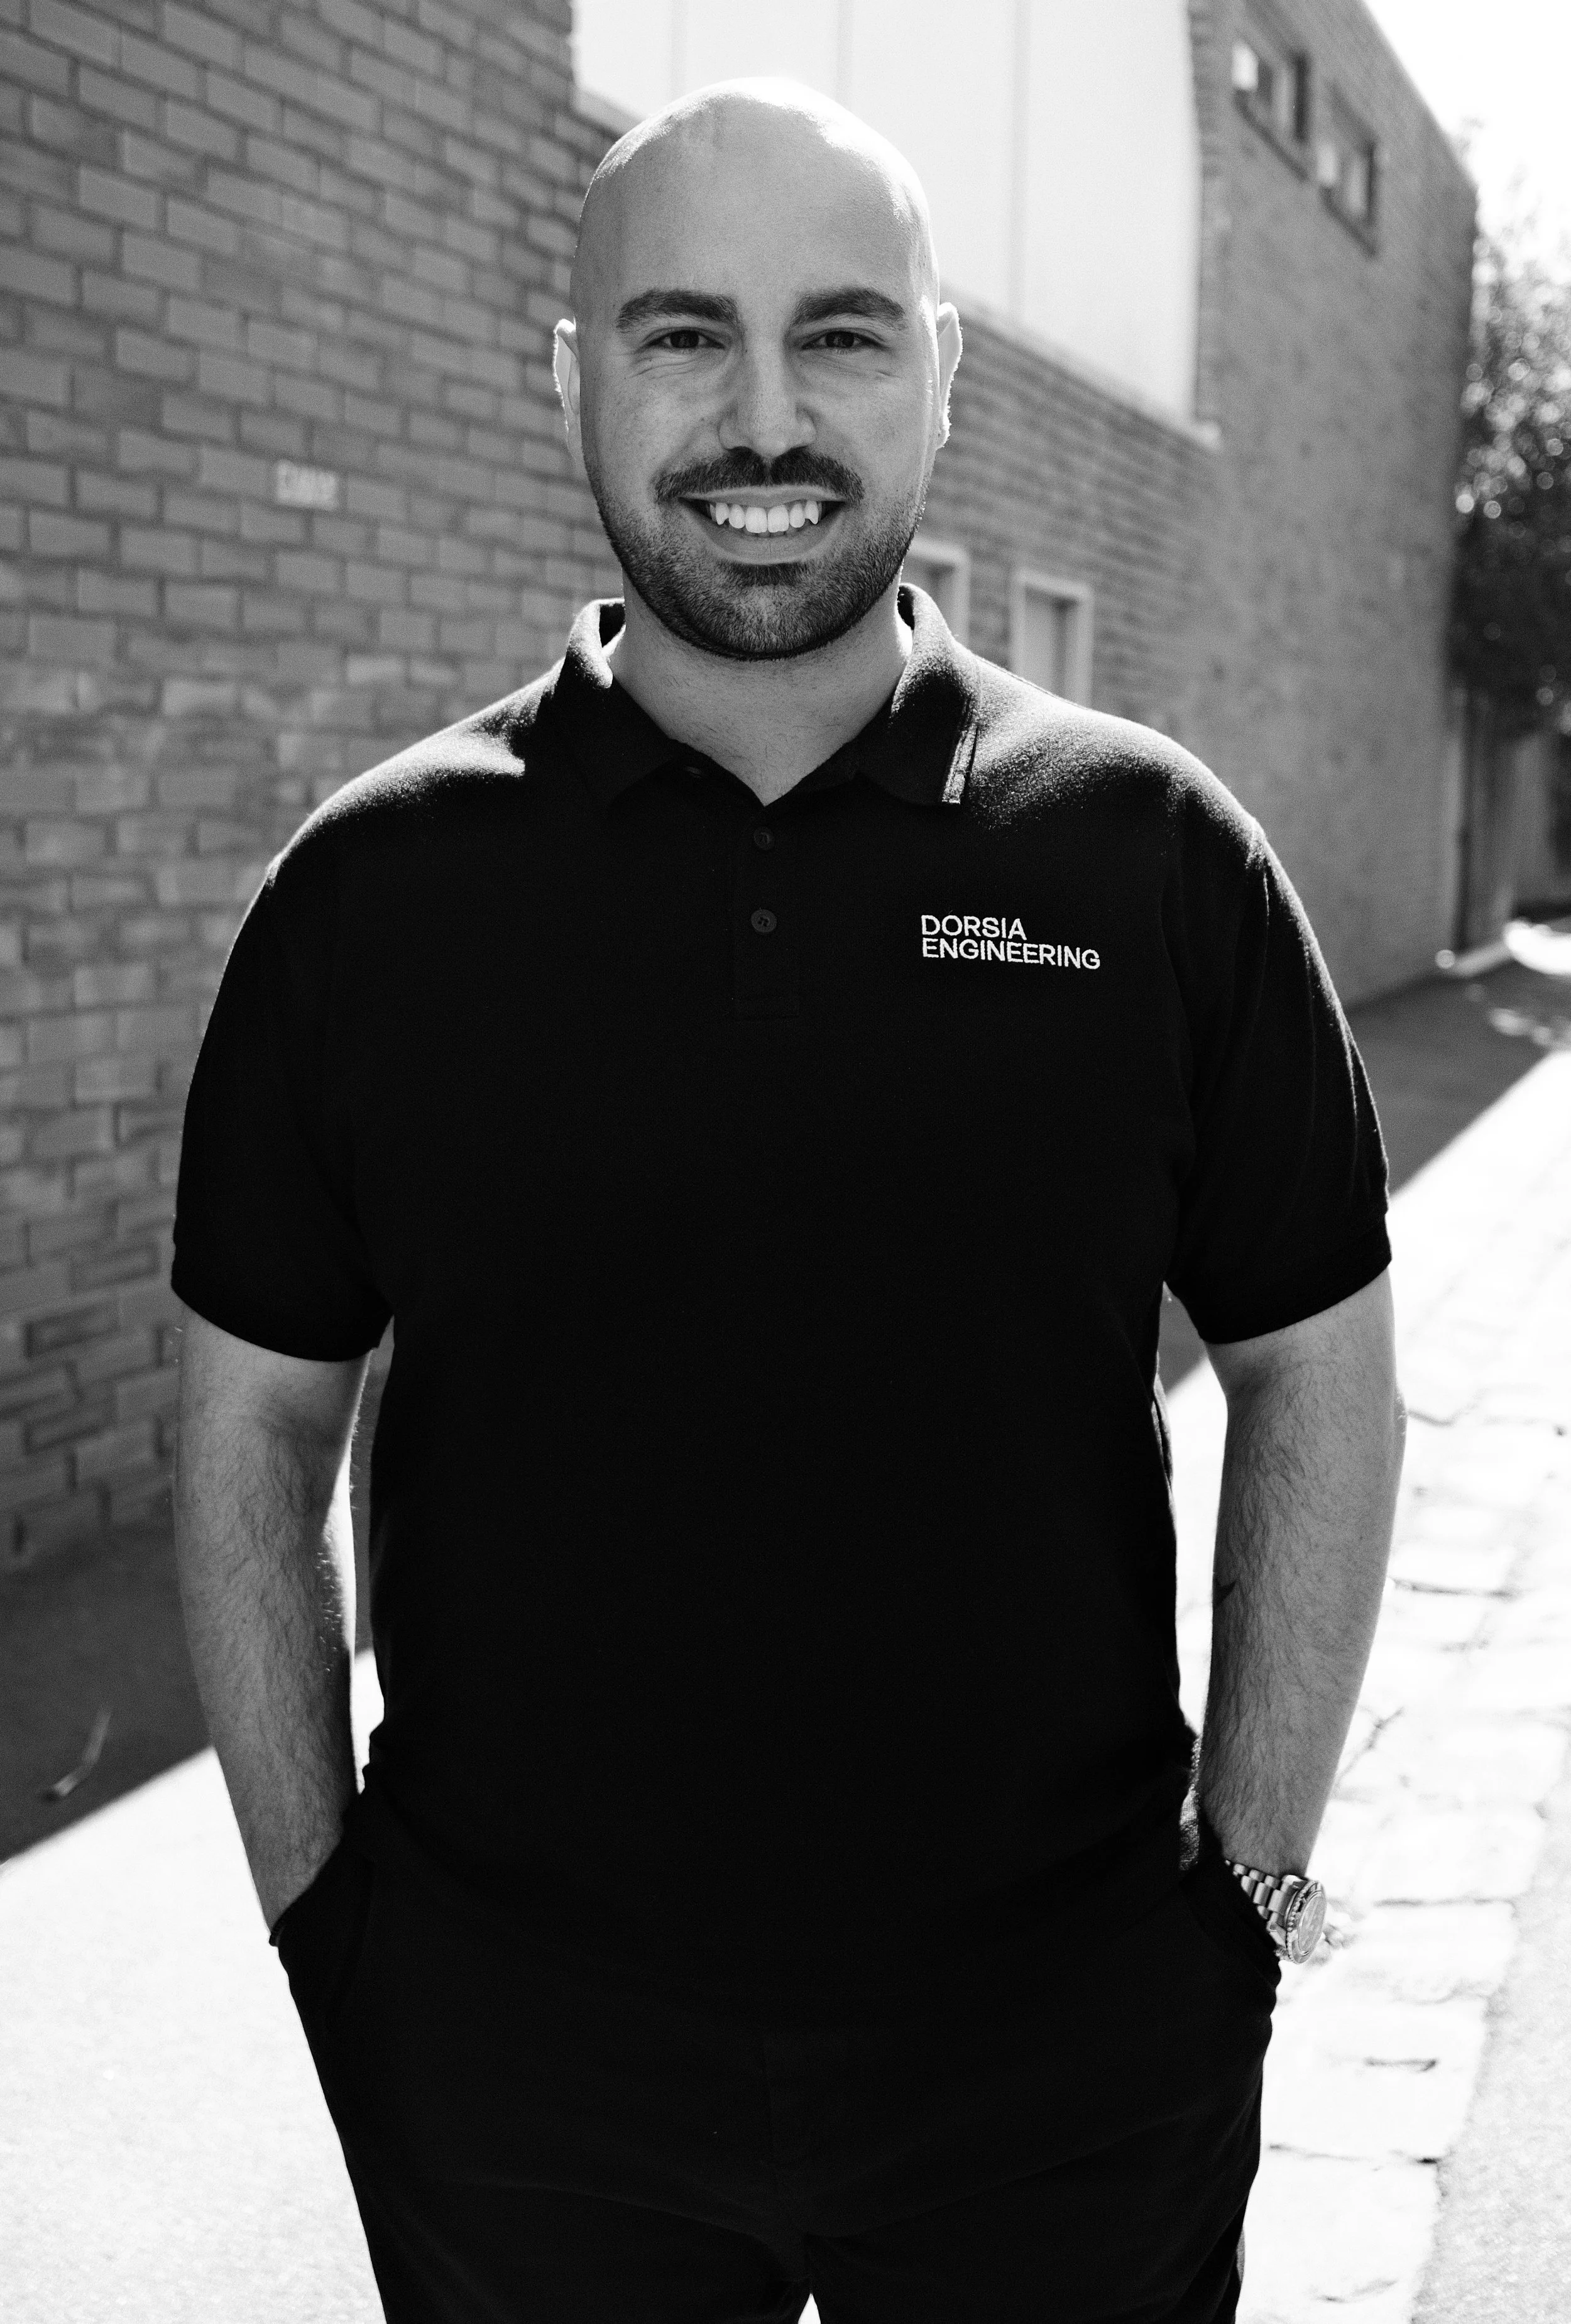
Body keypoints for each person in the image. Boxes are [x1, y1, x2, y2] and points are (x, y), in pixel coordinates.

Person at [171, 77, 1406, 2324]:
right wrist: (329, 1930)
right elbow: (251, 1430)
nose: (763, 419)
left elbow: (1318, 1372)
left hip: (1066, 2065)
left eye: (840, 333)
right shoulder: (372, 899)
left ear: (944, 368)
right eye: (681, 336)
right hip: (520, 2084)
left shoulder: (1148, 859)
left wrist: (1244, 1909)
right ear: (571, 373)